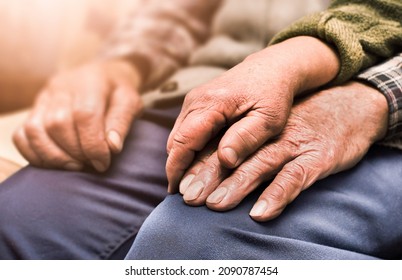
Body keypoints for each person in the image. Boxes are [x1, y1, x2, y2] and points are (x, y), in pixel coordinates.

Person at [0, 0, 401, 259]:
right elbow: (183, 12)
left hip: (381, 130)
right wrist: (123, 64)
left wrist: (372, 99)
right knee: (17, 221)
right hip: (205, 95)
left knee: (196, 248)